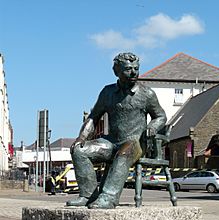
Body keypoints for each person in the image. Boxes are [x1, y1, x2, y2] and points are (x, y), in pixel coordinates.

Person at [66, 52, 166, 209]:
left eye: (136, 68)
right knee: (79, 151)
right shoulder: (107, 92)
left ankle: (109, 198)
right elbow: (93, 117)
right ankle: (89, 195)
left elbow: (160, 116)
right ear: (116, 71)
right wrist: (81, 138)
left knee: (124, 152)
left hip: (136, 143)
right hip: (110, 142)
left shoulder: (147, 94)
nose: (133, 72)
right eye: (127, 69)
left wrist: (152, 127)